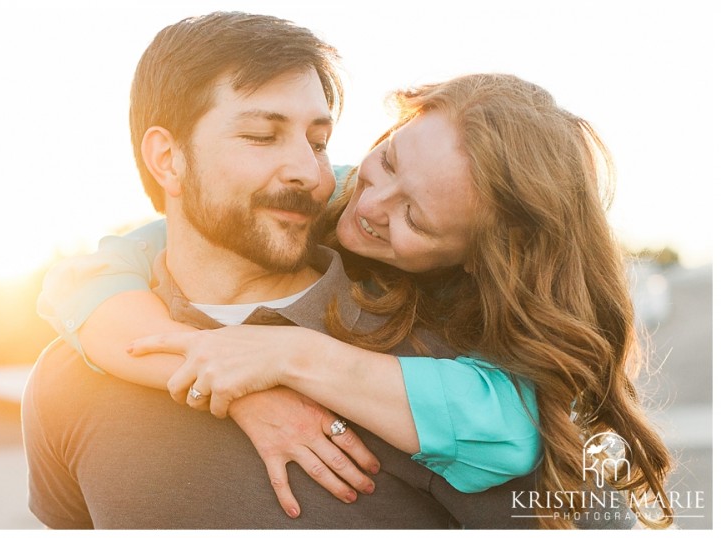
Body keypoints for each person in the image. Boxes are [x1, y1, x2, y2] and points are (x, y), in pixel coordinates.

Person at [35, 63, 674, 530]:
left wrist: (290, 357)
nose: (367, 206)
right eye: (387, 160)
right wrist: (239, 388)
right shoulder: (333, 192)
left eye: (415, 222)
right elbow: (95, 272)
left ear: (478, 259)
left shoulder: (472, 350)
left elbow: (510, 433)